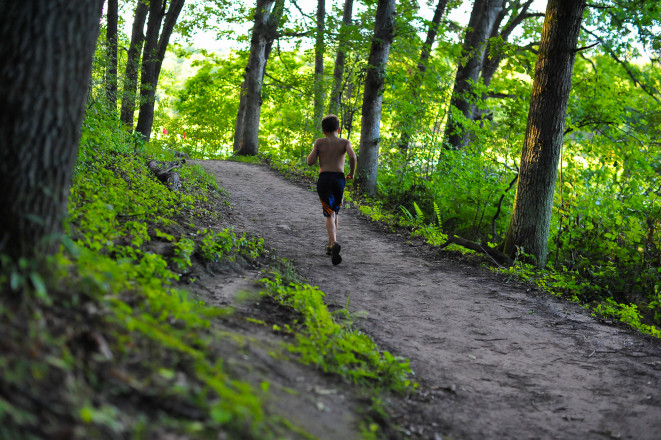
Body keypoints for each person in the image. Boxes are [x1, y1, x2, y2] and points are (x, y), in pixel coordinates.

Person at [307, 114, 357, 265]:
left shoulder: (320, 142)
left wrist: (317, 150)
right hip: (339, 180)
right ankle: (331, 245)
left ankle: (333, 243)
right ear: (339, 129)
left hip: (325, 179)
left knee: (328, 213)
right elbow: (353, 157)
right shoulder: (345, 142)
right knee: (335, 211)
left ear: (324, 131)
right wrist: (351, 173)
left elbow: (310, 162)